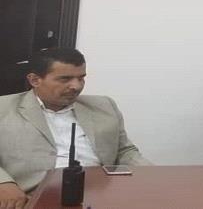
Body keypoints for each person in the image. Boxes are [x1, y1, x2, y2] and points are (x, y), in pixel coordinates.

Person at [0, 48, 150, 208]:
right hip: (32, 196)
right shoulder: (4, 108)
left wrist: (153, 175)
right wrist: (3, 182)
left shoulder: (104, 106)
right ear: (35, 80)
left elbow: (125, 151)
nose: (76, 86)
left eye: (81, 78)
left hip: (100, 194)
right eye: (65, 79)